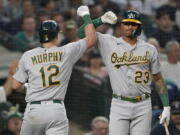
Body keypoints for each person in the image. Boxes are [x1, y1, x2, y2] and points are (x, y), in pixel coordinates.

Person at [77, 10, 171, 135]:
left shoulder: (149, 49)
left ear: (139, 27)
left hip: (143, 103)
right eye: (127, 23)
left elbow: (158, 79)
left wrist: (166, 106)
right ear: (121, 25)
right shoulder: (109, 42)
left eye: (133, 24)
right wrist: (101, 20)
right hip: (119, 103)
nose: (129, 27)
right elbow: (81, 33)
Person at [12, 5, 96, 135]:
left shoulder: (28, 55)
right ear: (57, 35)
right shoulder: (66, 51)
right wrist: (86, 15)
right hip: (56, 109)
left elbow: (15, 85)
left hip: (34, 109)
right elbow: (91, 39)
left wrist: (28, 87)